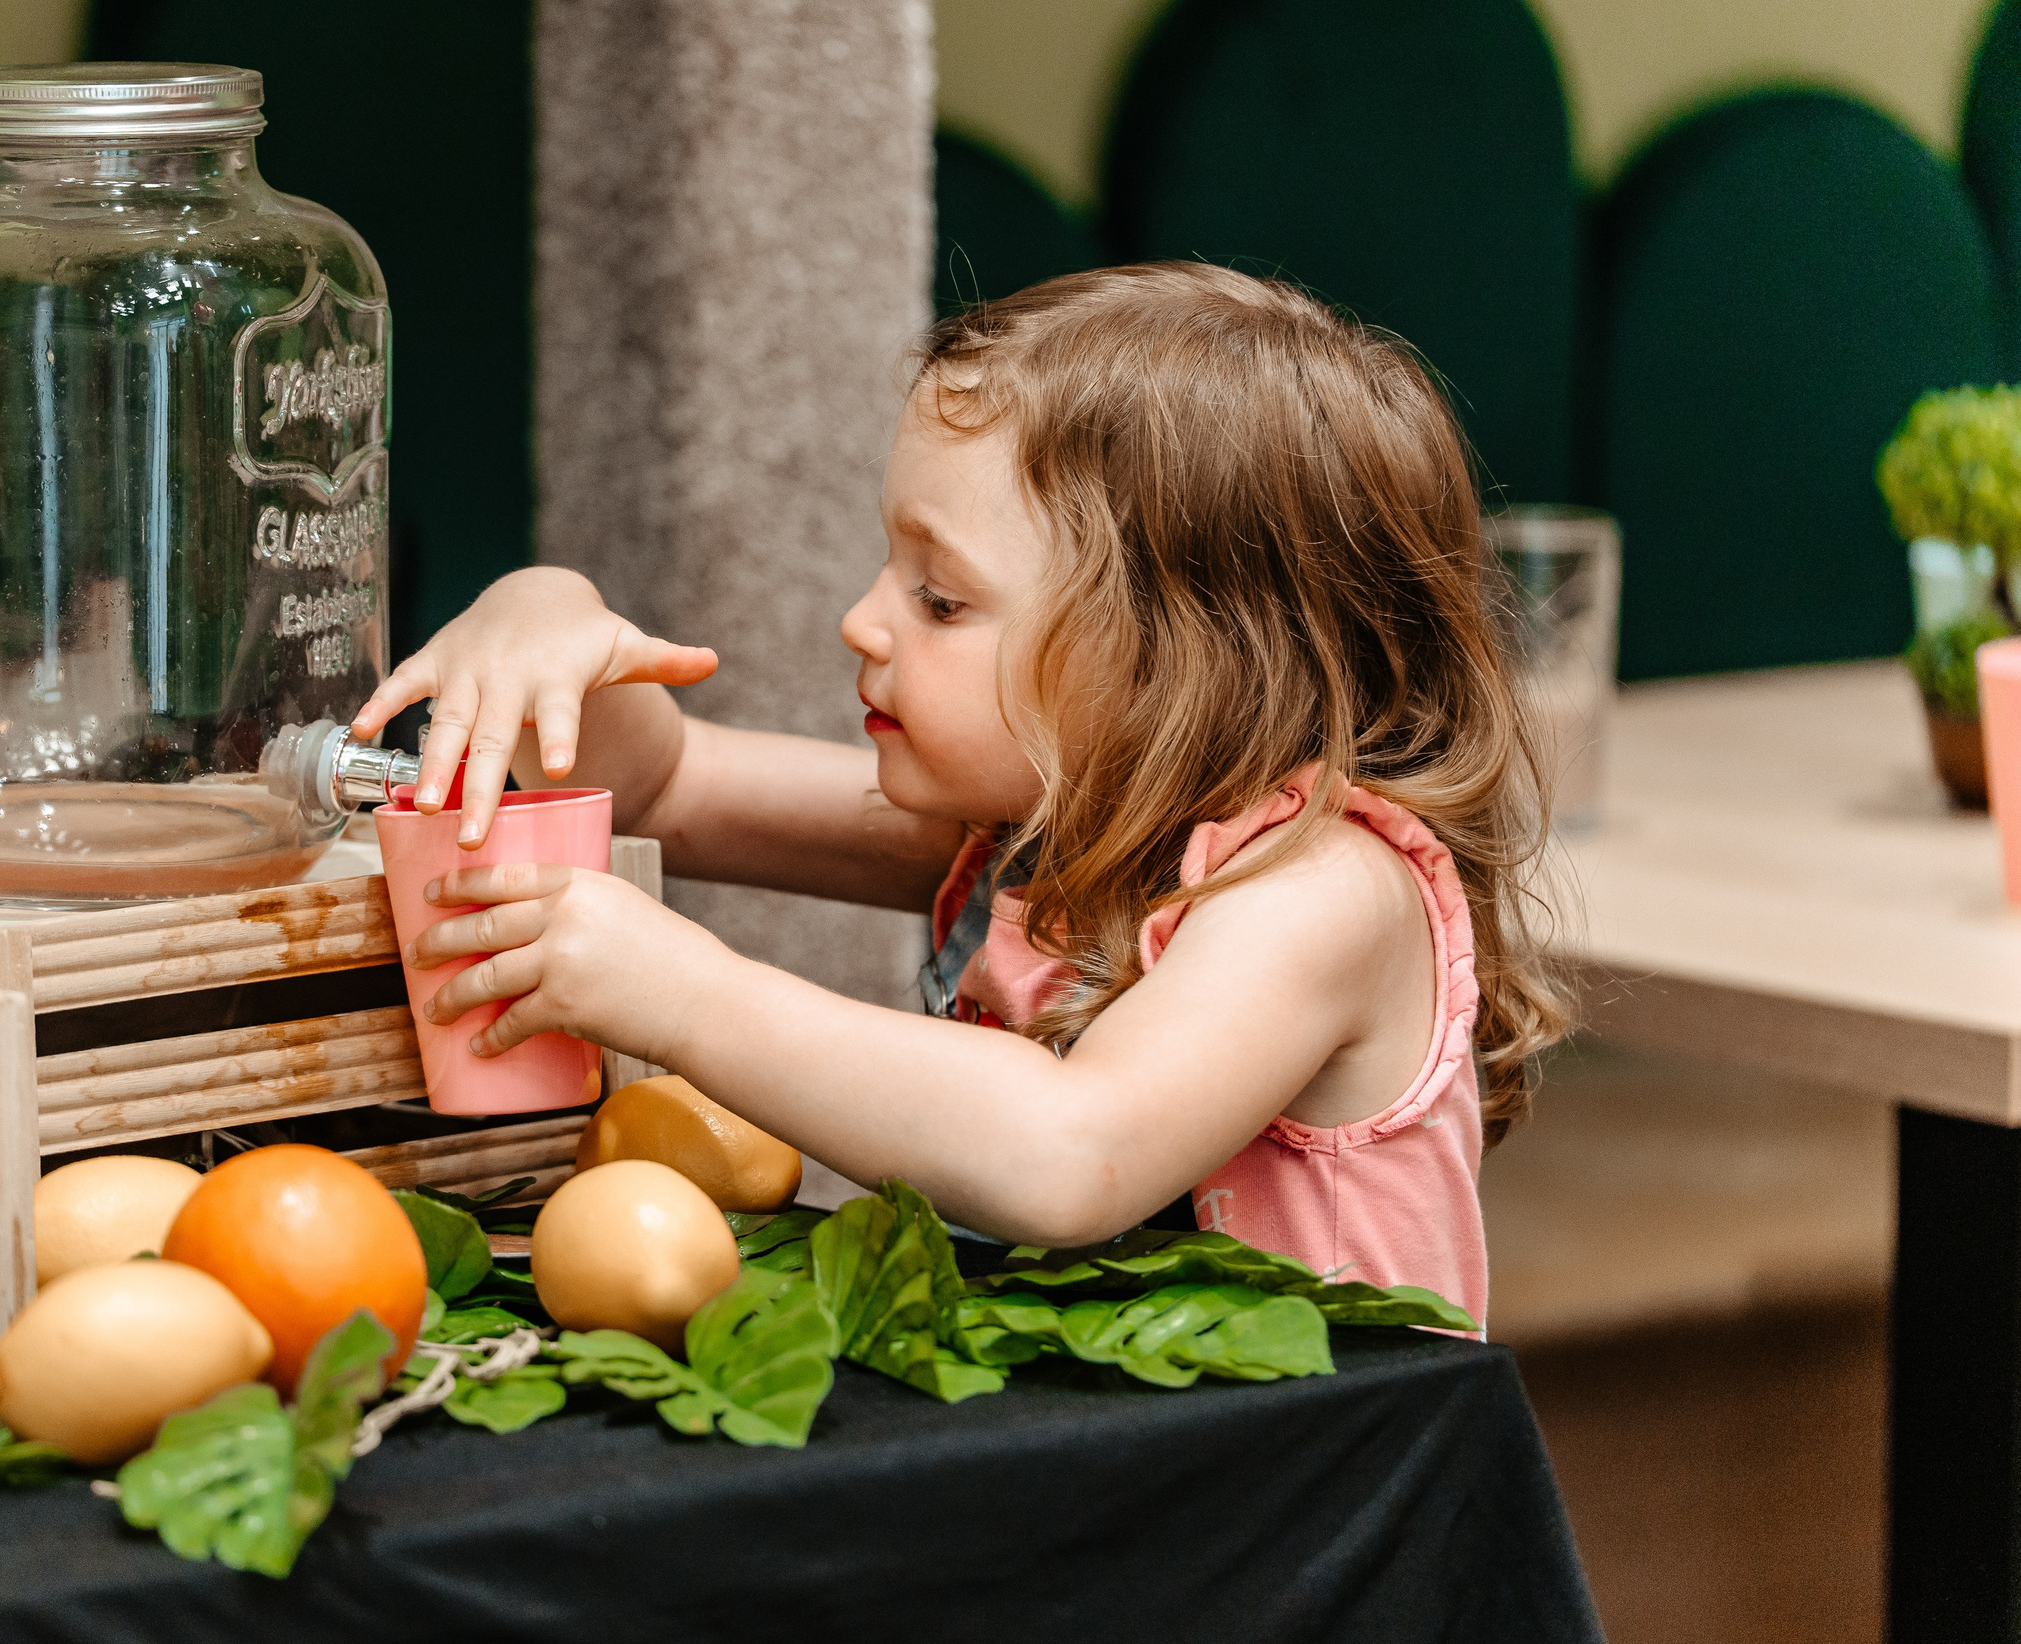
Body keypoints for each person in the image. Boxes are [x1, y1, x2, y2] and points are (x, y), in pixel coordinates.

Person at [349, 263, 1567, 1326]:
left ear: (1174, 661)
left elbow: (1069, 1150)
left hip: (1308, 1529)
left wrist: (685, 994)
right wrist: (545, 612)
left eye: (941, 600)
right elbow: (663, 779)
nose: (861, 621)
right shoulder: (1024, 841)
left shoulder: (1317, 888)